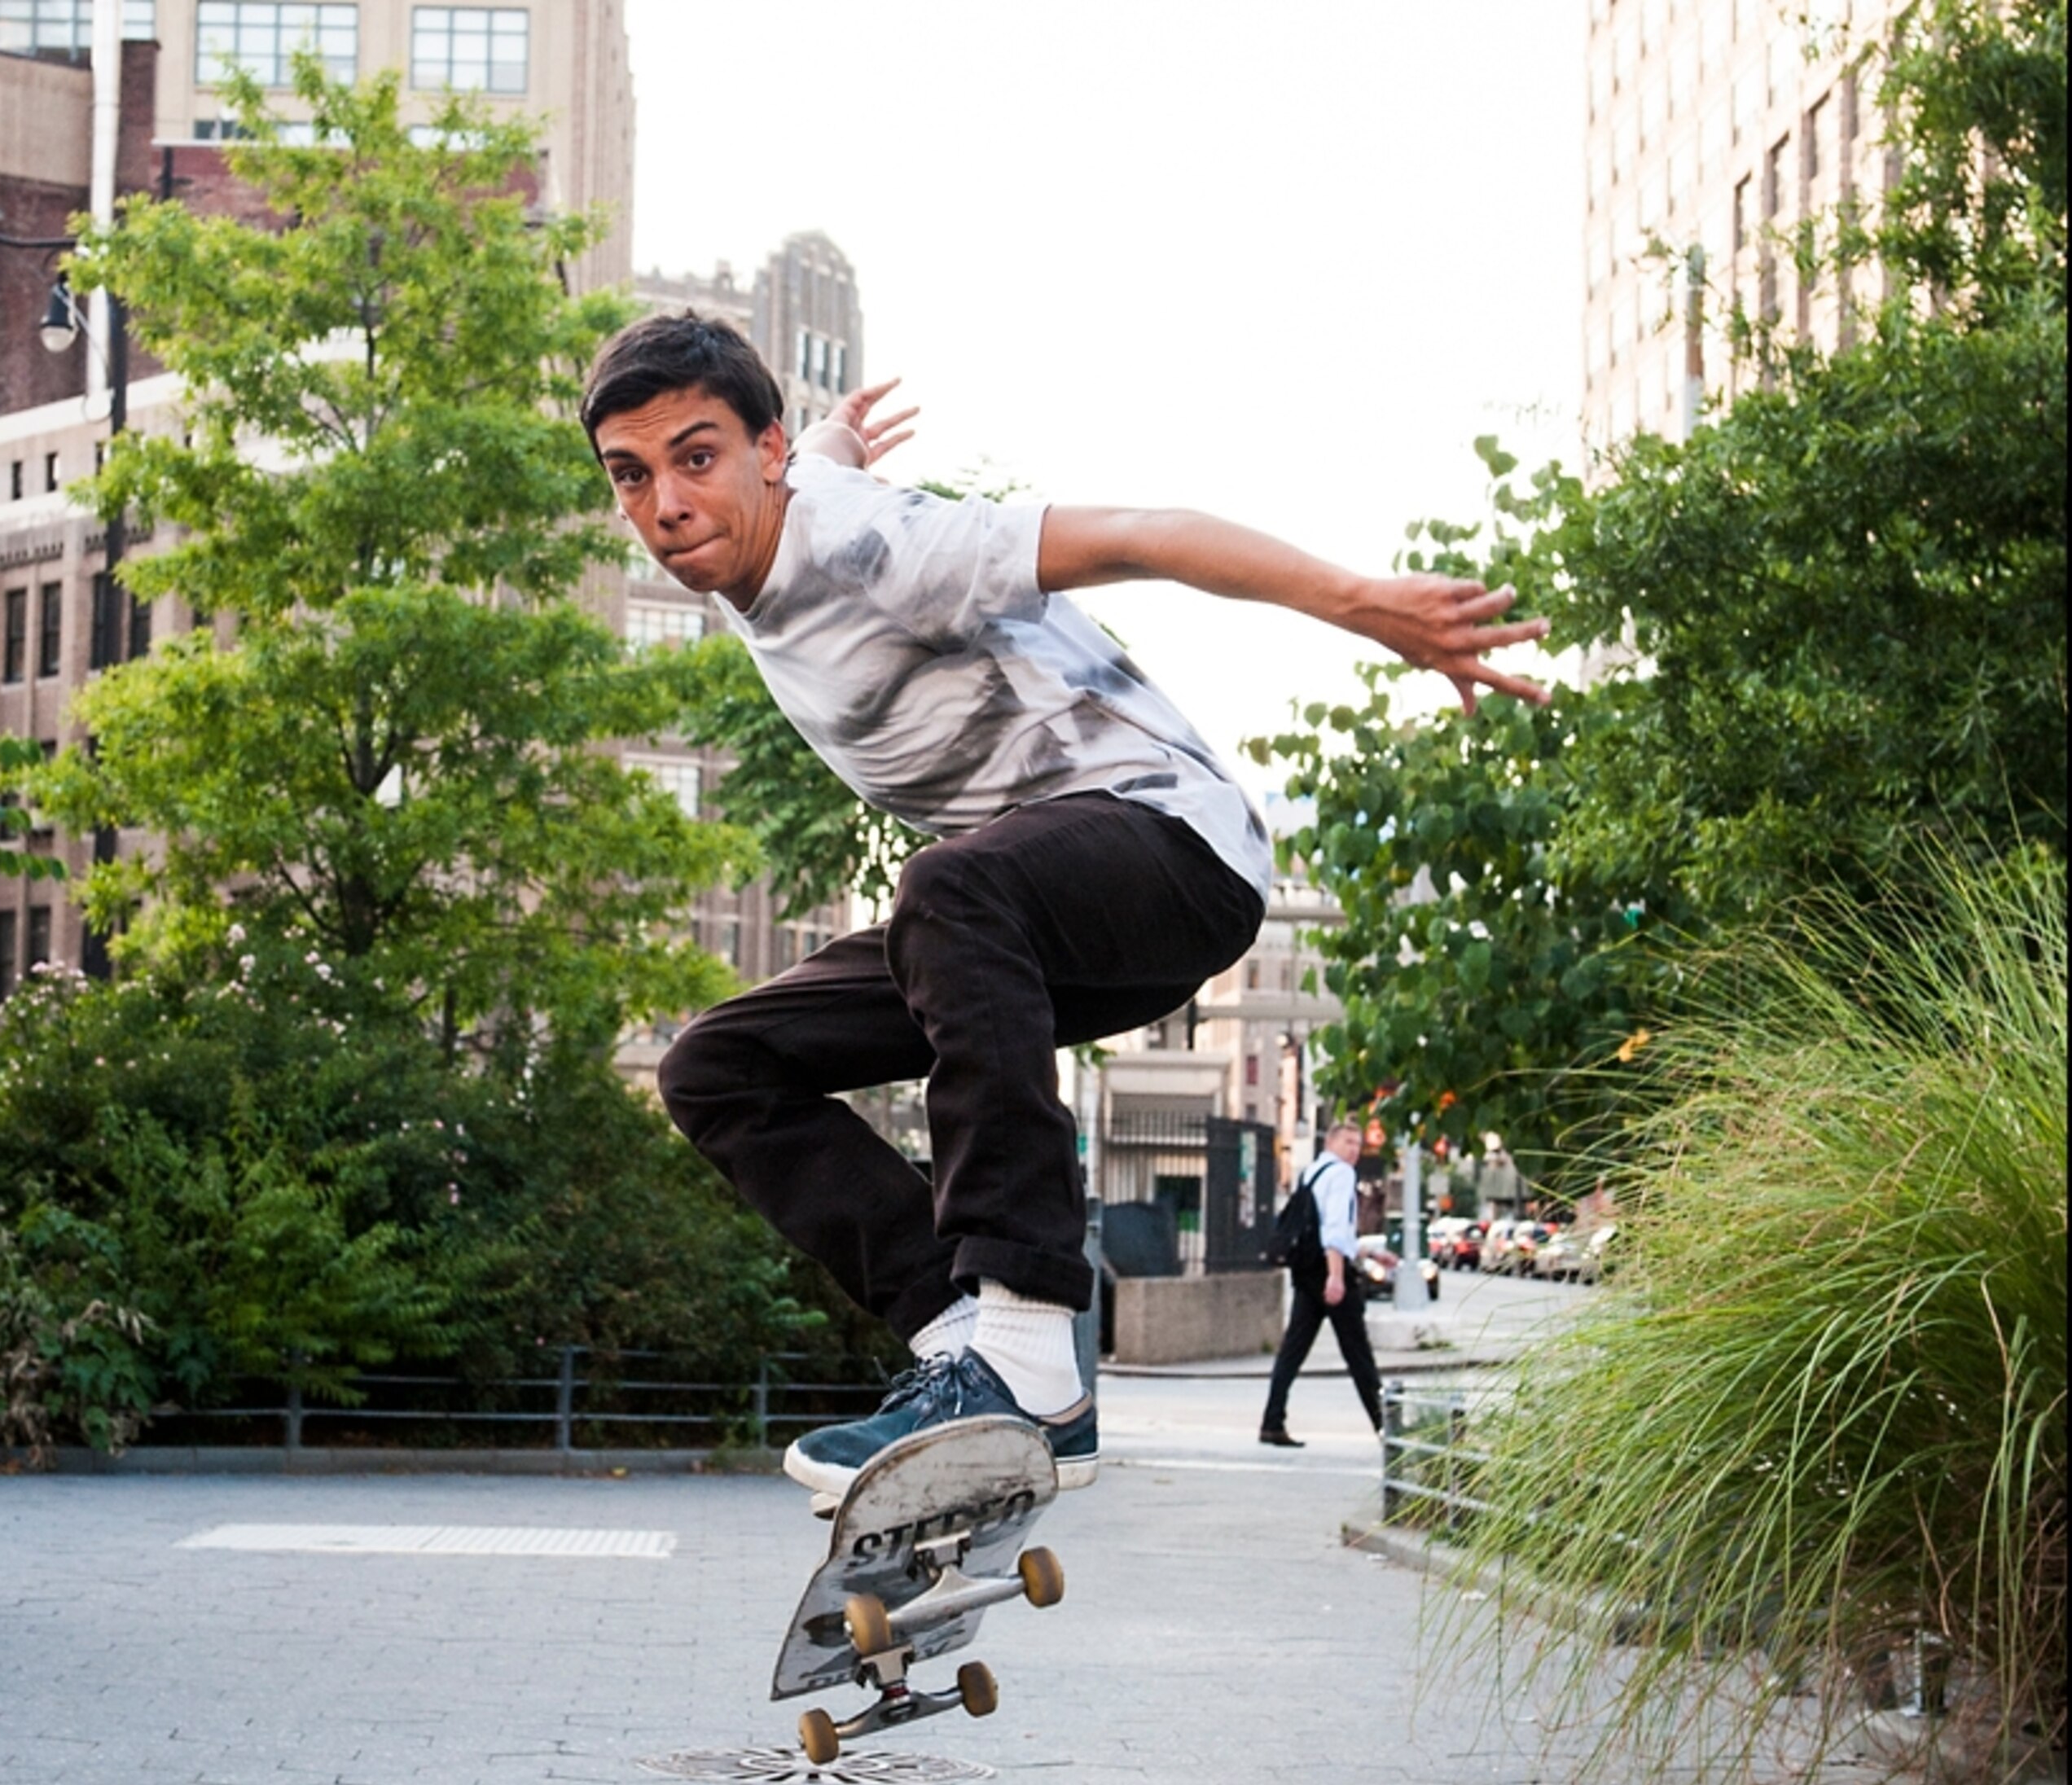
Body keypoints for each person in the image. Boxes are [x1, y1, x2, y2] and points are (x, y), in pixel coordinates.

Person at [577, 314, 1545, 1502]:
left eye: (696, 457)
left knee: (945, 883)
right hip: (1033, 927)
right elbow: (816, 457)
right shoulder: (773, 510)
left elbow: (1150, 535)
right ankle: (956, 1349)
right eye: (633, 476)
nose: (667, 506)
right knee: (719, 1067)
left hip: (1174, 853)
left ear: (761, 452)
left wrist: (1362, 605)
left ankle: (1031, 1350)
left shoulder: (883, 543)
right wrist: (833, 434)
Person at [1258, 1120, 1388, 1447]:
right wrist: (1336, 1275)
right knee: (1358, 1352)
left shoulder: (1312, 1173)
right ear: (1331, 1143)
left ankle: (1272, 1421)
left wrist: (1368, 1251)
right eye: (1348, 1142)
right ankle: (1385, 1427)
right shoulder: (1342, 1174)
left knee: (1293, 1349)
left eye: (1358, 1144)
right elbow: (1333, 1229)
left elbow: (1325, 1230)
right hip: (1328, 1270)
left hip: (1306, 1269)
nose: (1354, 1150)